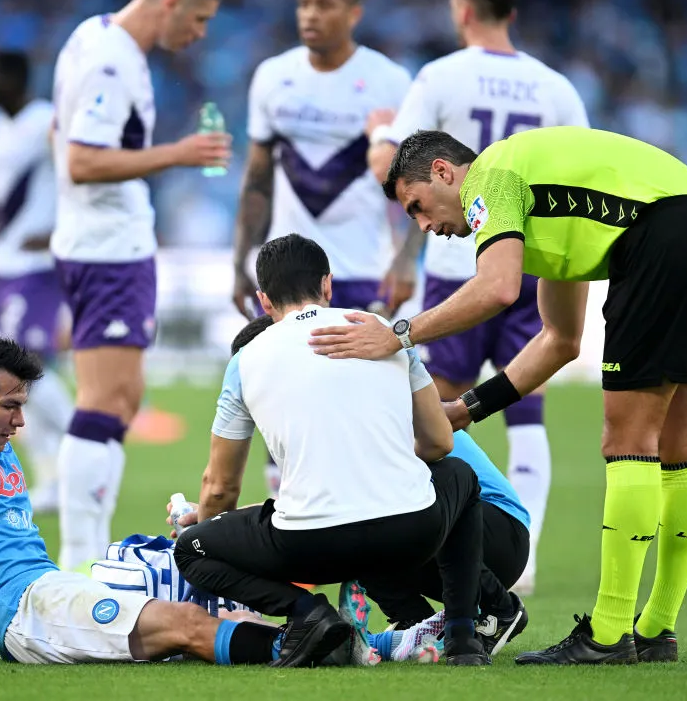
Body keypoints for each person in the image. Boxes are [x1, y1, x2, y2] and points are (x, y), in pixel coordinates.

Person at [309, 126, 687, 665]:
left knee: (628, 439)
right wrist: (466, 409)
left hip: (665, 239)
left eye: (418, 206)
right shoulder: (546, 213)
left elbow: (497, 287)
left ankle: (609, 636)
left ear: (445, 173)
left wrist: (397, 333)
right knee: (686, 444)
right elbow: (560, 341)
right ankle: (657, 628)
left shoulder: (491, 177)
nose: (426, 226)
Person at [175, 233, 513, 667]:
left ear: (263, 301)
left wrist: (209, 530)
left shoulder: (246, 359)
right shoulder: (383, 334)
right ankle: (463, 639)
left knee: (189, 547)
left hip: (309, 550)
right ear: (328, 285)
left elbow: (220, 488)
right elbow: (440, 443)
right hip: (411, 532)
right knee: (460, 476)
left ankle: (308, 614)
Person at [0, 336, 344, 669]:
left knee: (207, 593)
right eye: (10, 406)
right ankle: (301, 651)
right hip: (29, 614)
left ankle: (351, 642)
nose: (20, 420)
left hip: (54, 585)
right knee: (185, 624)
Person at [366, 0, 590, 595]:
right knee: (529, 408)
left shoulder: (440, 76)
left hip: (455, 268)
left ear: (462, 10)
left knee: (438, 407)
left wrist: (376, 135)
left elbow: (399, 171)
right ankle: (528, 556)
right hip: (537, 254)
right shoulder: (556, 87)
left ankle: (437, 531)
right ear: (510, 12)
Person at [49, 0, 231, 570]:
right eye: (199, 18)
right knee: (105, 400)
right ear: (171, 1)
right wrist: (178, 154)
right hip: (106, 247)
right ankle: (77, 567)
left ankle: (85, 557)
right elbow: (82, 159)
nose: (199, 34)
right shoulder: (111, 61)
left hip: (97, 241)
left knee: (119, 399)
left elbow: (61, 140)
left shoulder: (89, 37)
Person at [216, 310, 531, 660]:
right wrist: (224, 525)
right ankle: (417, 624)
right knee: (353, 520)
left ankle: (499, 608)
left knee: (366, 512)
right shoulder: (321, 398)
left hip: (498, 530)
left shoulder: (348, 392)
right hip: (457, 519)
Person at [231, 0, 414, 496]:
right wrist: (241, 259)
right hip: (287, 272)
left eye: (325, 4)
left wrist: (406, 258)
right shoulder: (273, 76)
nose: (311, 14)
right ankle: (285, 515)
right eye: (304, 4)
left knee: (367, 400)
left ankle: (366, 529)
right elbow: (257, 179)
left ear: (354, 13)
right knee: (279, 394)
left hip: (362, 267)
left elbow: (415, 180)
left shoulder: (388, 81)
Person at [0, 50, 73, 513]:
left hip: (37, 265)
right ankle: (52, 477)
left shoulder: (45, 119)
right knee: (16, 375)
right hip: (5, 264)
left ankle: (84, 440)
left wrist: (58, 230)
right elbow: (4, 191)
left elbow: (77, 176)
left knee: (26, 364)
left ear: (13, 79)